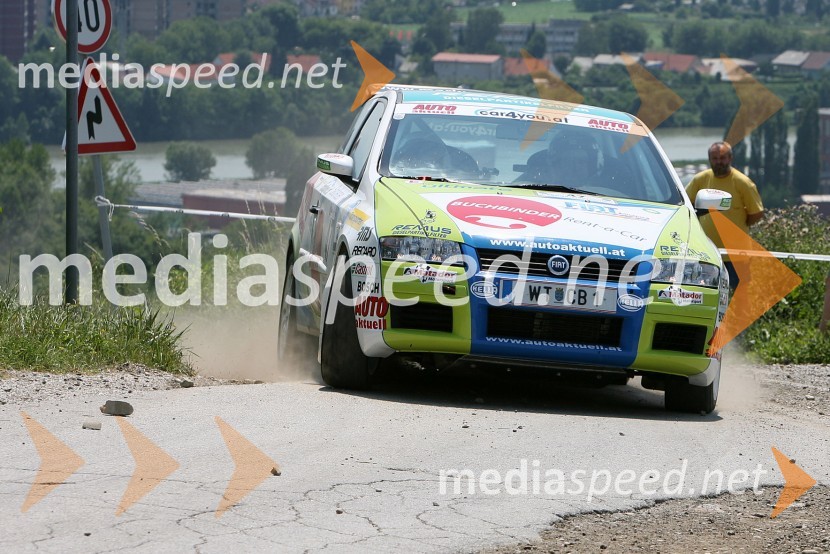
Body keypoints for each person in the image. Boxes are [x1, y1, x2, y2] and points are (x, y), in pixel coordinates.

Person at [685, 141, 764, 288]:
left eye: (722, 158)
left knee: (737, 298)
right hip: (706, 254)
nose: (718, 162)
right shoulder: (700, 180)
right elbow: (685, 206)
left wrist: (738, 226)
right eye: (714, 158)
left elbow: (757, 213)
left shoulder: (743, 182)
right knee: (705, 293)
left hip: (736, 256)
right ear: (709, 159)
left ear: (730, 158)